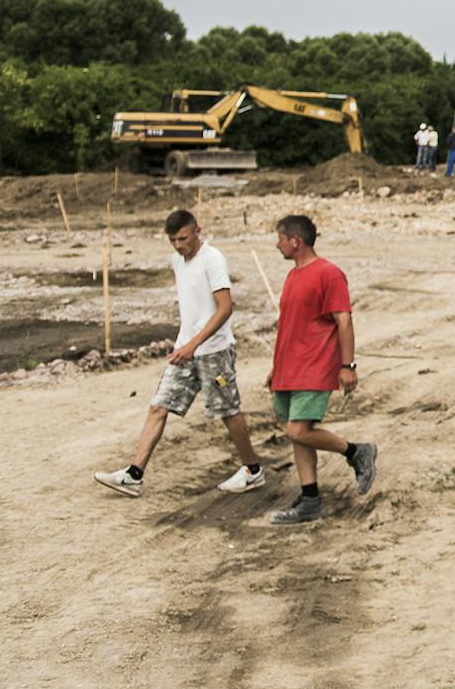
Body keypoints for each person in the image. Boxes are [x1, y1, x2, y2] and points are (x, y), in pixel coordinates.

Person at [93, 210, 265, 497]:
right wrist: (184, 344)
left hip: (214, 352)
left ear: (198, 231)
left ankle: (252, 470)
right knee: (159, 406)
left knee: (227, 411)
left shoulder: (212, 260)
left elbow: (225, 308)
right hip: (184, 349)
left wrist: (194, 344)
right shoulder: (177, 261)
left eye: (183, 238)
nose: (178, 245)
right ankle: (134, 474)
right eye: (173, 240)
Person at [263, 214, 377, 524]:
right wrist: (277, 367)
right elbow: (290, 326)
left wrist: (347, 365)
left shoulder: (329, 274)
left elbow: (344, 321)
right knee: (300, 436)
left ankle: (356, 452)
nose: (277, 244)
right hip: (289, 368)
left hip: (313, 367)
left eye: (281, 238)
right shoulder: (292, 276)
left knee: (298, 430)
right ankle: (310, 499)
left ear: (295, 241)